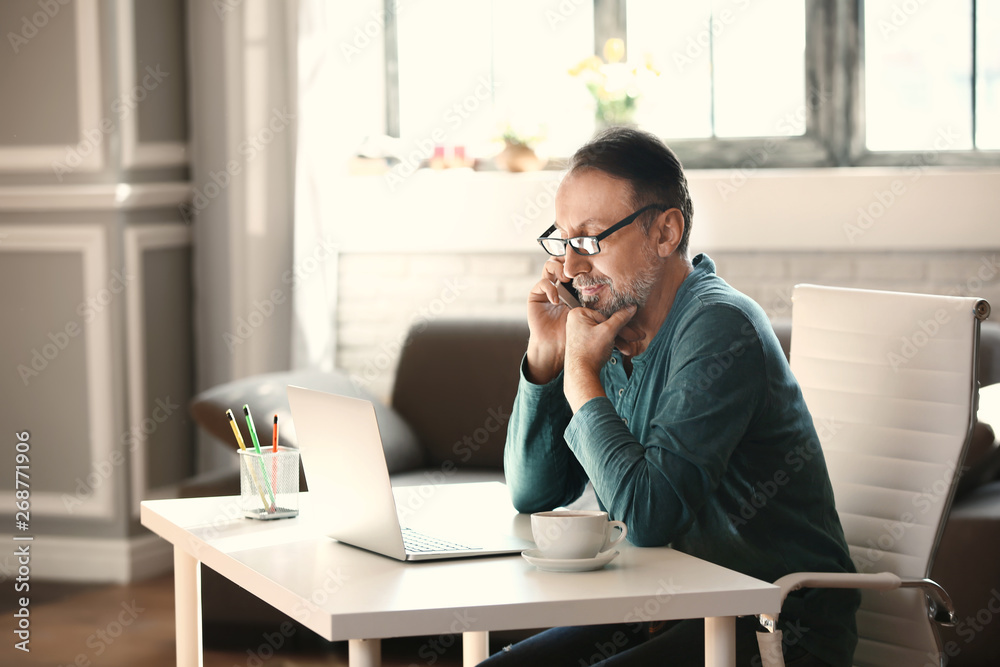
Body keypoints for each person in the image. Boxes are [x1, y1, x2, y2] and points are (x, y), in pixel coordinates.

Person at [486, 127, 860, 666]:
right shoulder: (608, 324)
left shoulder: (720, 328)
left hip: (775, 625)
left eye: (591, 239)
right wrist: (546, 356)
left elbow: (648, 517)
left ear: (665, 232)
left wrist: (581, 377)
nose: (570, 267)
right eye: (564, 240)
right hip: (673, 606)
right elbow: (533, 494)